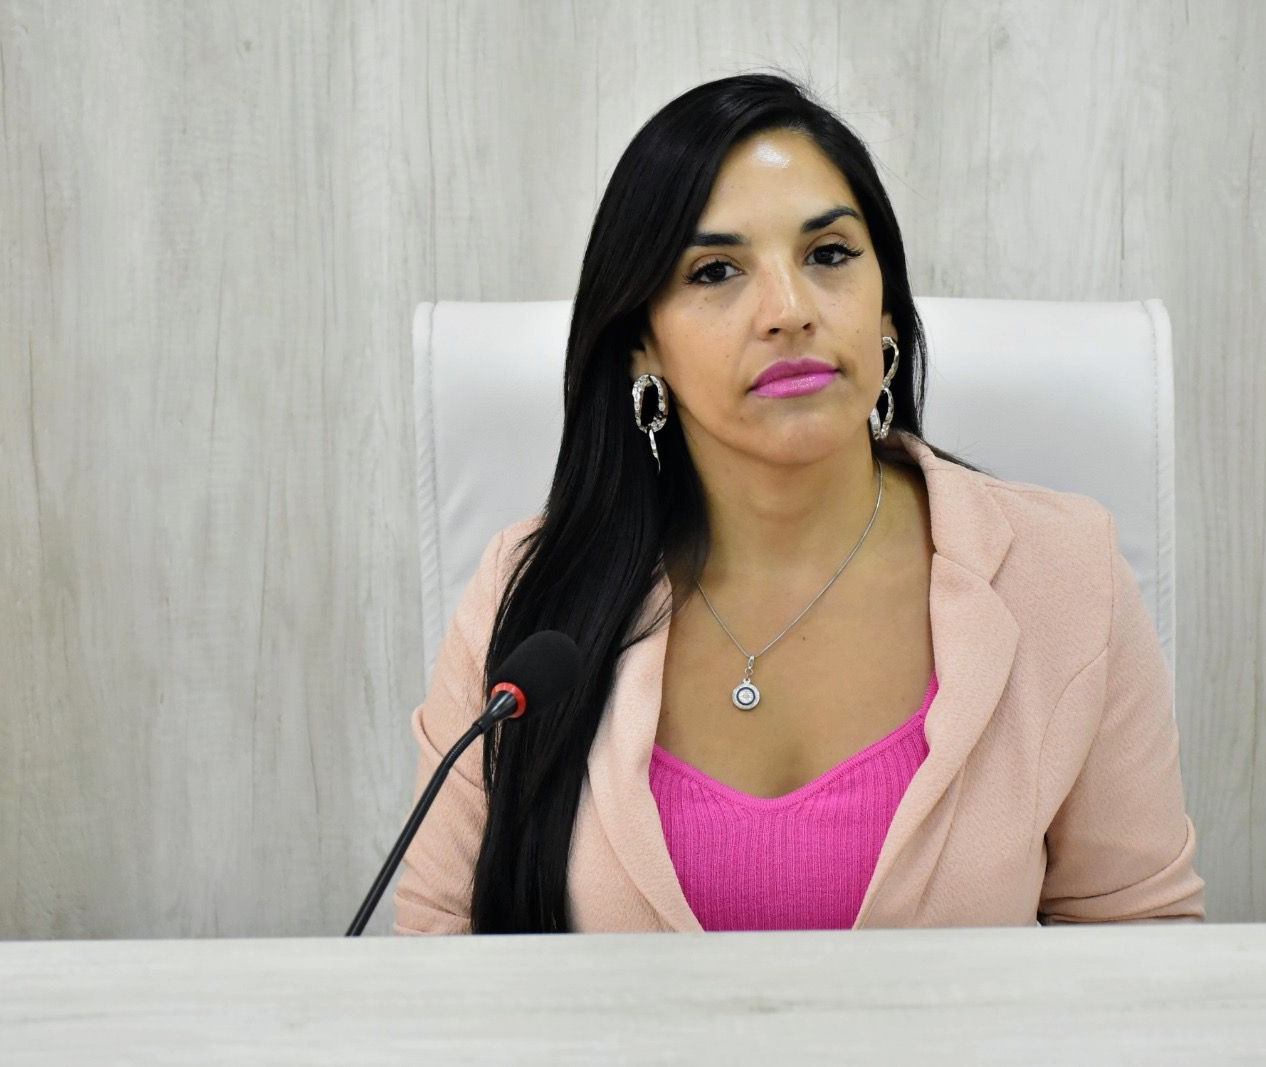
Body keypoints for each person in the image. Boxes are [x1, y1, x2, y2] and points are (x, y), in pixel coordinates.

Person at [393, 72, 1205, 935]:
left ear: (886, 311)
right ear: (641, 346)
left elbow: (1140, 953)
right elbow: (438, 955)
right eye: (715, 270)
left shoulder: (1066, 574)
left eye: (829, 255)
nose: (788, 311)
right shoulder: (531, 600)